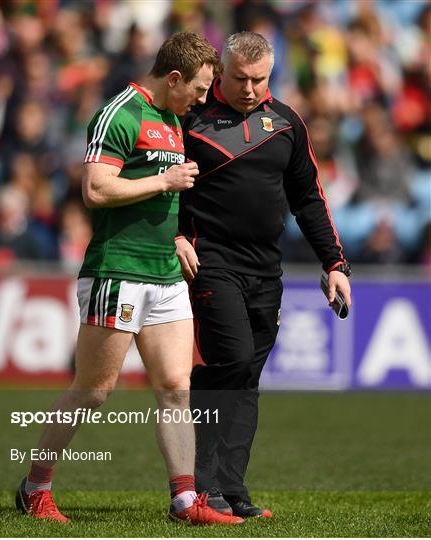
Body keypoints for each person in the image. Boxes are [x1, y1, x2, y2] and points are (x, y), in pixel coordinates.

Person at [15, 32, 243, 526]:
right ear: (175, 78)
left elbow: (163, 197)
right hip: (117, 270)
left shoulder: (172, 119)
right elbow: (95, 189)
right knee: (94, 390)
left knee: (176, 387)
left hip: (163, 272)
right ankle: (35, 486)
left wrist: (179, 235)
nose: (203, 100)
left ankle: (185, 500)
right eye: (200, 90)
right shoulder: (122, 112)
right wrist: (164, 181)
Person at [175, 31, 352, 518]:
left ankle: (232, 489)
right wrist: (177, 234)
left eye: (259, 79)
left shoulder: (287, 125)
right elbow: (164, 189)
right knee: (229, 361)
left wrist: (335, 264)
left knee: (247, 378)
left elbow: (309, 199)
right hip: (212, 263)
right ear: (221, 71)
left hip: (265, 271)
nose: (250, 88)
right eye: (239, 78)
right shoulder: (190, 119)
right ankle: (199, 486)